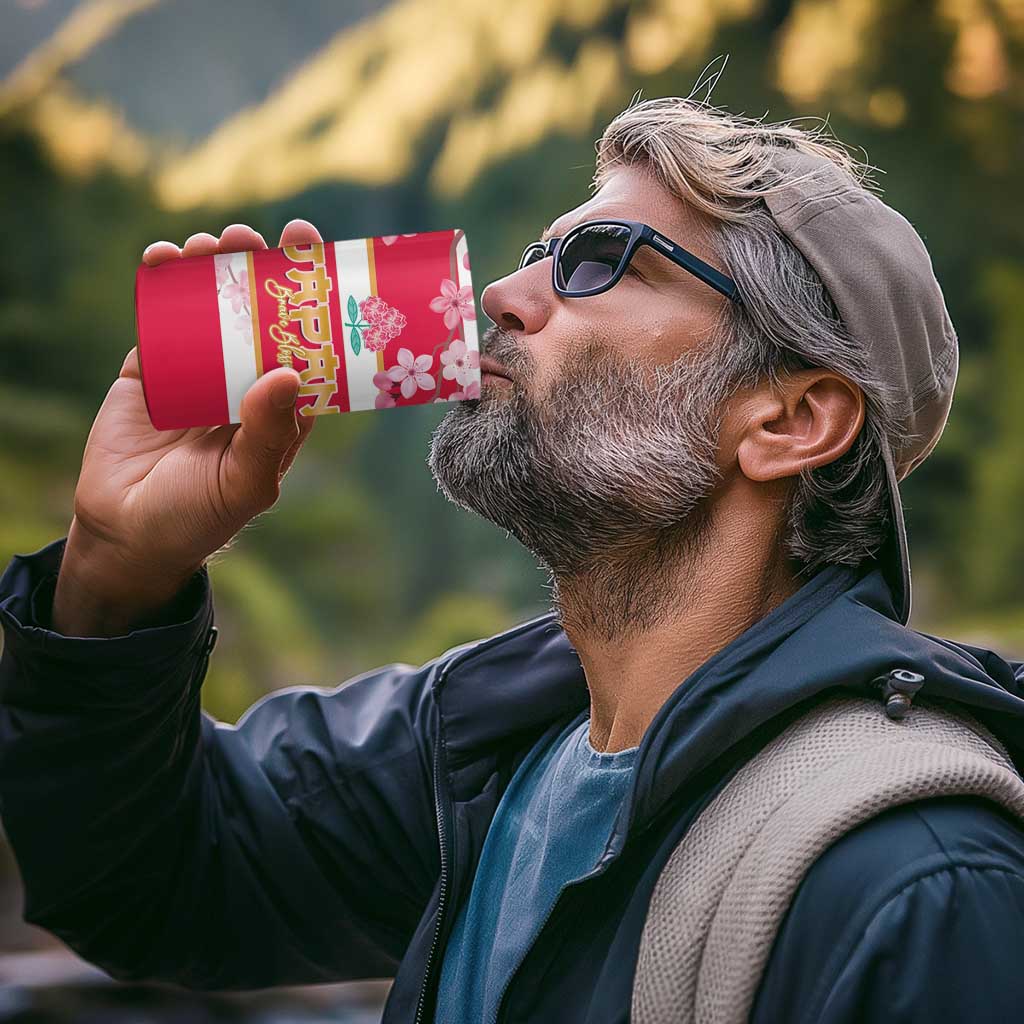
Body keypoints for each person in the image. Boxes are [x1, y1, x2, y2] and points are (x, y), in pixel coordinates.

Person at [2, 95, 1024, 1024]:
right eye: (540, 252)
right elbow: (149, 880)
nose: (502, 291)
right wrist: (115, 572)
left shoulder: (918, 884)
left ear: (791, 419)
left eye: (599, 261)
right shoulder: (479, 749)